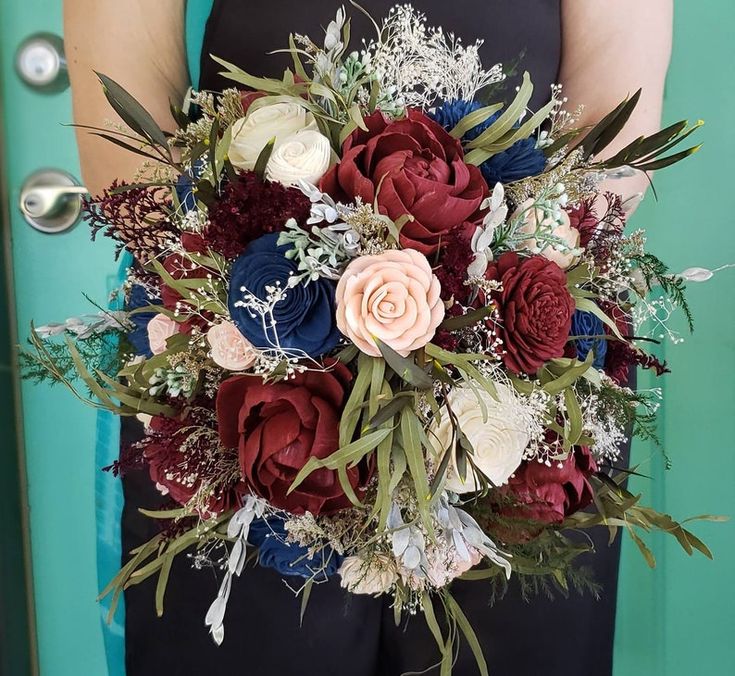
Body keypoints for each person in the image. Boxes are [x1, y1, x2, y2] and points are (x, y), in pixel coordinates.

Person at [64, 1, 672, 674]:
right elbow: (122, 96)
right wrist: (232, 290)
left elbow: (614, 112)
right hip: (239, 322)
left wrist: (491, 291)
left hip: (521, 331)